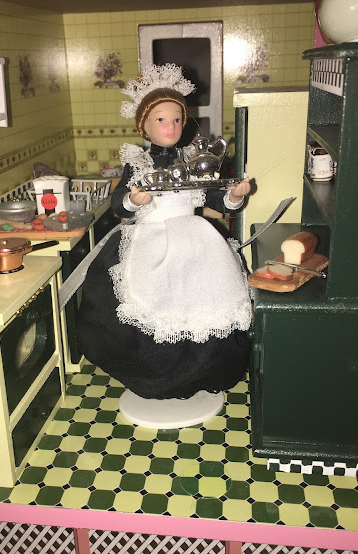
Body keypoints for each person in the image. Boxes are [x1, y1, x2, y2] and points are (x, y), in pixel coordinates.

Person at [73, 63, 252, 399]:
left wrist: (234, 195)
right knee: (147, 303)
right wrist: (134, 199)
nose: (170, 127)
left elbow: (216, 198)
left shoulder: (194, 159)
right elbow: (118, 206)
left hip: (196, 241)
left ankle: (202, 370)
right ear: (144, 126)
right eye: (160, 119)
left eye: (177, 119)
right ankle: (155, 376)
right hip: (149, 240)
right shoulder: (138, 163)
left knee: (203, 300)